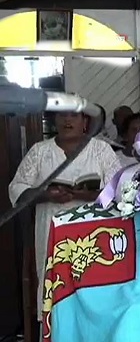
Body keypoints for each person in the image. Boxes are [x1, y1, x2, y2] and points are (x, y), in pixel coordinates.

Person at [8, 111, 120, 320]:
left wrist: (85, 194)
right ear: (54, 121)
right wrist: (46, 194)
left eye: (73, 116)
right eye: (62, 116)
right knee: (56, 294)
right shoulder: (40, 151)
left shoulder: (101, 150)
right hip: (52, 235)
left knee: (93, 295)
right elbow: (16, 190)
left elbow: (120, 190)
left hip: (93, 236)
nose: (67, 120)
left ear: (84, 121)